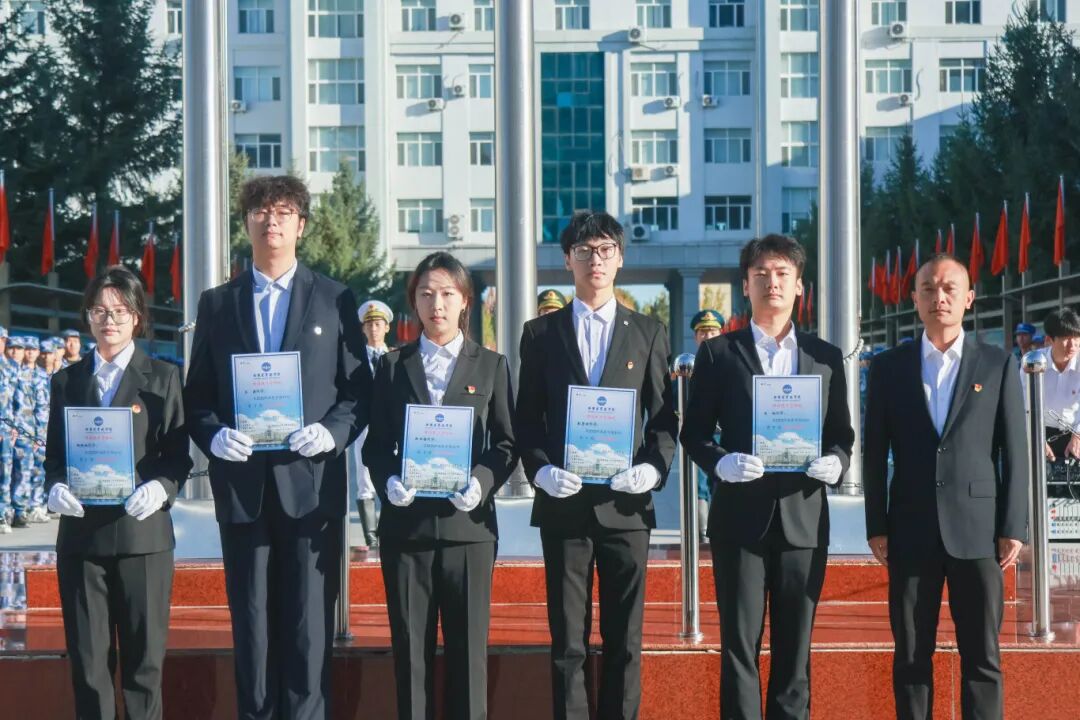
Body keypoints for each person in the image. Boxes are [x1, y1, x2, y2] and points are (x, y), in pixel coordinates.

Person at [184, 174, 371, 719]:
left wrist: (332, 433)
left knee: (309, 627)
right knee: (252, 625)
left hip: (310, 488)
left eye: (284, 212)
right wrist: (214, 434)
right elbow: (198, 396)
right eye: (261, 212)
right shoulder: (218, 303)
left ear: (302, 225)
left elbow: (358, 390)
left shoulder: (334, 298)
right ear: (246, 223)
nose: (272, 222)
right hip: (244, 491)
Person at [681, 234, 854, 720]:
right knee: (739, 645)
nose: (771, 283)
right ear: (745, 285)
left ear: (799, 286)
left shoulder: (824, 356)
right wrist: (721, 463)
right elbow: (694, 433)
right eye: (761, 274)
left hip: (803, 518)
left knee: (795, 647)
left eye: (782, 274)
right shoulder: (719, 353)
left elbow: (841, 434)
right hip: (740, 519)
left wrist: (837, 462)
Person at [515, 210, 677, 720]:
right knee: (568, 640)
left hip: (626, 507)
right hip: (564, 506)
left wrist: (653, 468)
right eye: (584, 251)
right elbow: (526, 419)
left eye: (606, 250)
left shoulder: (648, 331)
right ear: (567, 260)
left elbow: (664, 418)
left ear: (620, 259)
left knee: (625, 638)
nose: (595, 260)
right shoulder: (540, 334)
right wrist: (540, 470)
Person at [864, 253, 1027, 720]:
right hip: (910, 528)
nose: (940, 297)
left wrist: (1013, 525)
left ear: (969, 298)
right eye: (929, 289)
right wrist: (877, 525)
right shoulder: (889, 367)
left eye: (950, 288)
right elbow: (873, 453)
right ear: (915, 299)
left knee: (983, 656)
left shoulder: (997, 364)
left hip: (978, 533)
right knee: (911, 656)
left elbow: (1014, 450)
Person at [363, 251, 517, 720]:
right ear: (414, 302)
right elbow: (376, 446)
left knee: (469, 659)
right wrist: (389, 480)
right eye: (427, 294)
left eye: (448, 293)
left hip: (468, 531)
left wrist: (482, 482)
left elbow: (507, 444)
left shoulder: (490, 365)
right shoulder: (393, 366)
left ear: (465, 300)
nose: (437, 304)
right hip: (406, 532)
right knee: (411, 658)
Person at [42, 266, 192, 719]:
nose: (109, 320)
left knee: (144, 668)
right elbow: (54, 458)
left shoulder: (163, 378)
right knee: (89, 667)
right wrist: (55, 488)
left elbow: (178, 456)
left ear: (137, 317)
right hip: (82, 541)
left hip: (142, 539)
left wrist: (161, 488)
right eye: (99, 311)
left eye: (120, 311)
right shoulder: (67, 381)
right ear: (88, 317)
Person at [353, 298, 393, 549]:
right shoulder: (355, 360)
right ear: (363, 328)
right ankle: (371, 538)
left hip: (391, 425)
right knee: (364, 478)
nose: (374, 329)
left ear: (387, 327)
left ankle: (390, 533)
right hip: (365, 424)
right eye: (369, 325)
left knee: (392, 476)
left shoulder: (398, 357)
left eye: (378, 324)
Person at [690, 309, 725, 540]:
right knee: (700, 485)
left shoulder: (731, 362)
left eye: (712, 331)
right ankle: (702, 531)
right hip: (701, 436)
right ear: (696, 337)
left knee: (722, 482)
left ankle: (720, 529)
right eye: (703, 332)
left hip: (725, 434)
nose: (707, 336)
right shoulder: (687, 367)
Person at [10, 338, 49, 527]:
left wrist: (40, 435)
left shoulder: (40, 375)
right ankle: (19, 510)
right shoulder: (16, 373)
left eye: (34, 349)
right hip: (18, 430)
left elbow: (42, 406)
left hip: (35, 431)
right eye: (27, 349)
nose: (30, 353)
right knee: (20, 472)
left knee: (36, 470)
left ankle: (33, 506)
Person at [1041, 308, 1080, 463]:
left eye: (1076, 337)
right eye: (1065, 338)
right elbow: (1024, 405)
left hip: (1076, 432)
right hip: (1042, 433)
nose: (1072, 345)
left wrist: (1078, 435)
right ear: (1050, 339)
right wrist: (1037, 439)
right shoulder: (1034, 362)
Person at [0, 328, 14, 533]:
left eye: (3, 340)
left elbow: (16, 400)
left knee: (5, 472)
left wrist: (15, 426)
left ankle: (2, 514)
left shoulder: (10, 368)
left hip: (8, 428)